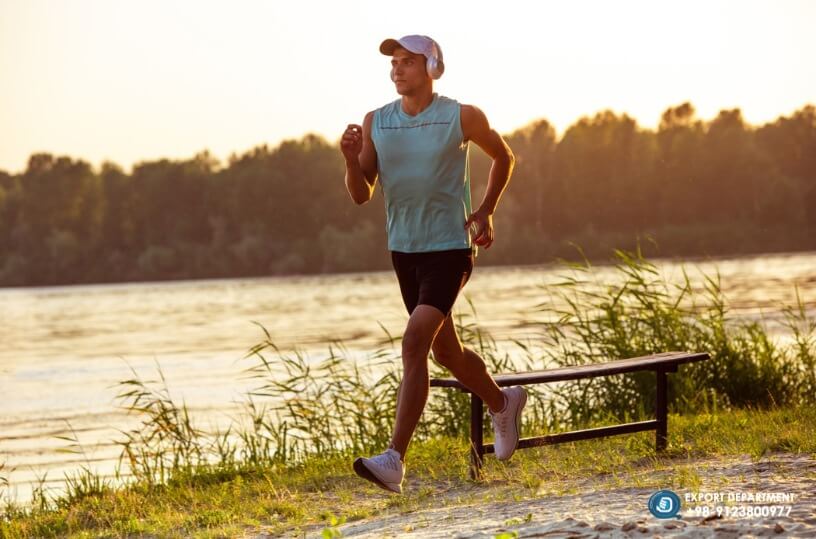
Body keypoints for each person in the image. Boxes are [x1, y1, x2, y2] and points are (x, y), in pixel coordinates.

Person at [340, 34, 526, 494]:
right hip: (404, 251)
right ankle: (503, 403)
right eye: (394, 63)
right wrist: (349, 159)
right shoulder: (377, 121)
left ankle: (394, 459)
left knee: (414, 342)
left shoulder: (461, 116)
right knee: (446, 353)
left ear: (432, 68)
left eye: (407, 62)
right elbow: (362, 193)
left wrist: (486, 210)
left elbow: (504, 156)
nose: (397, 69)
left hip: (449, 248)